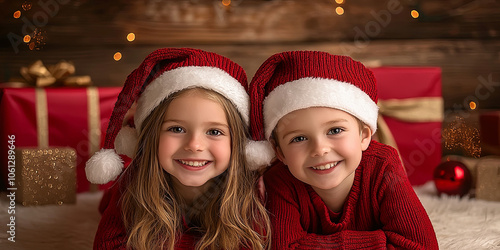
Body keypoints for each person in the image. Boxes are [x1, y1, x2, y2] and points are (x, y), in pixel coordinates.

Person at [248, 51, 438, 249]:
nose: (320, 149)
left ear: (364, 136)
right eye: (299, 138)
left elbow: (422, 245)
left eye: (335, 130)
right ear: (280, 153)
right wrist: (382, 241)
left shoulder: (383, 166)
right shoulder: (280, 181)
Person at [85, 48, 271, 249]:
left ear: (238, 144)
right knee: (108, 202)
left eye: (214, 132)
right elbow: (108, 244)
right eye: (177, 128)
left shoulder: (246, 191)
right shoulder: (133, 183)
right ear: (151, 137)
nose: (194, 145)